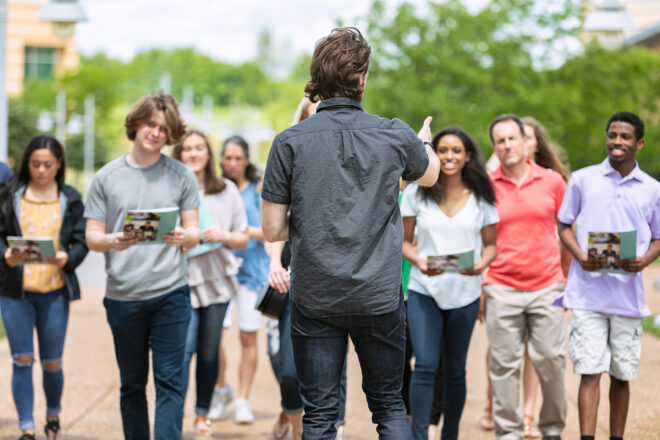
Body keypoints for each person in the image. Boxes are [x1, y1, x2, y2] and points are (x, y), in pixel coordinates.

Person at [261, 27, 440, 439]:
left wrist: (313, 219)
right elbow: (430, 176)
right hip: (378, 292)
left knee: (320, 414)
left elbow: (272, 229)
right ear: (361, 79)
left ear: (317, 78)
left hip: (316, 295)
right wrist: (423, 142)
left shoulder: (288, 143)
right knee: (389, 405)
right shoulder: (394, 133)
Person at [84, 92, 200, 439]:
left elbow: (194, 230)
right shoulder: (106, 178)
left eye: (164, 128)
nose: (156, 133)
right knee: (132, 385)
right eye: (150, 124)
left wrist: (184, 236)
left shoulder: (182, 175)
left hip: (170, 294)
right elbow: (92, 236)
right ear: (135, 125)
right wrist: (112, 240)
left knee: (170, 382)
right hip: (123, 296)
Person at [556, 111, 660, 440]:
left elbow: (658, 237)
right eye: (613, 135)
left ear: (639, 143)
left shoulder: (653, 189)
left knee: (622, 374)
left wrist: (643, 260)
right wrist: (580, 256)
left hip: (627, 298)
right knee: (588, 371)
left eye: (625, 137)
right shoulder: (583, 179)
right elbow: (564, 224)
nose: (617, 141)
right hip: (587, 294)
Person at [401, 126, 498, 440]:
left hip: (465, 293)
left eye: (457, 150)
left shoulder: (482, 197)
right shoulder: (417, 192)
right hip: (423, 290)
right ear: (434, 154)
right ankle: (418, 434)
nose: (450, 156)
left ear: (468, 155)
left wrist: (482, 265)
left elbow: (491, 246)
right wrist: (418, 262)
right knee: (426, 364)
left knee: (455, 370)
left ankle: (450, 434)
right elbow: (404, 242)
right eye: (442, 150)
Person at [481, 116, 571, 438]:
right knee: (503, 367)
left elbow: (568, 232)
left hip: (546, 286)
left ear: (525, 141)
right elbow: (481, 238)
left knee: (551, 361)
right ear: (494, 147)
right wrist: (483, 285)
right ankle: (508, 433)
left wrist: (564, 277)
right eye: (499, 141)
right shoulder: (486, 187)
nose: (506, 145)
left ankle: (551, 429)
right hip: (501, 287)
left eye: (511, 139)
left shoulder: (552, 182)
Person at [0, 135, 87, 440]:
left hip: (54, 291)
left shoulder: (70, 198)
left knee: (52, 362)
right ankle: (26, 426)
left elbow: (82, 239)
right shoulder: (9, 194)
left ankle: (53, 413)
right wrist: (5, 255)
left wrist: (69, 257)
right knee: (21, 359)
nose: (40, 170)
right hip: (15, 292)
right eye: (35, 164)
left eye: (47, 164)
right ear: (27, 164)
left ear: (59, 164)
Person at [172, 130, 249, 438]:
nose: (193, 153)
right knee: (183, 351)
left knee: (208, 353)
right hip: (181, 282)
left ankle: (202, 415)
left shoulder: (226, 190)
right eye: (187, 148)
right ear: (178, 154)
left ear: (208, 154)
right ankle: (174, 415)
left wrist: (222, 235)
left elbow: (242, 238)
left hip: (218, 284)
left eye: (199, 148)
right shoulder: (170, 190)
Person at [208, 134, 269, 424]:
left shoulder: (259, 190)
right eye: (227, 158)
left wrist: (238, 232)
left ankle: (243, 398)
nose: (232, 163)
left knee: (248, 337)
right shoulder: (216, 188)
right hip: (220, 272)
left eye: (238, 158)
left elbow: (269, 230)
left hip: (252, 273)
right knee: (213, 337)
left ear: (246, 160)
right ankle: (221, 389)